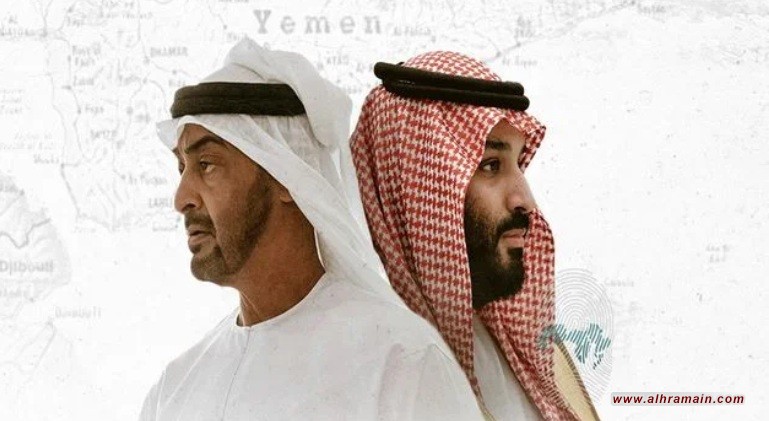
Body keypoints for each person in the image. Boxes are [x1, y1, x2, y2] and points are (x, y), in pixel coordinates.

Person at [138, 39, 485, 421]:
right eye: (181, 169)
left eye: (207, 165)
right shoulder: (175, 390)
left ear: (287, 175)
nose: (182, 198)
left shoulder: (402, 364)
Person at [350, 53, 601, 420]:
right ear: (420, 183)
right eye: (490, 165)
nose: (526, 201)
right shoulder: (372, 366)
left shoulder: (518, 344)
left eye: (518, 163)